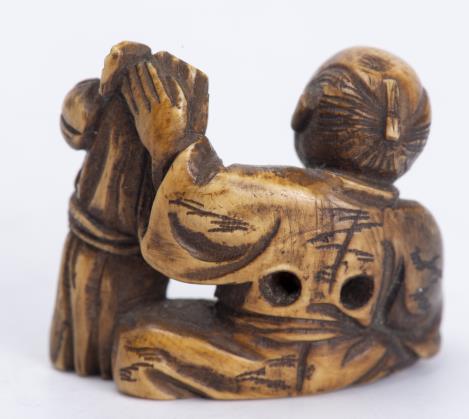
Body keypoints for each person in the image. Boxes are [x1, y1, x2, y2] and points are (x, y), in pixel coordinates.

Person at [97, 43, 442, 398]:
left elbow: (188, 217)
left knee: (138, 343)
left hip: (257, 357)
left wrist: (173, 143)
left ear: (304, 112)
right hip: (356, 358)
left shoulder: (283, 197)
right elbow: (419, 328)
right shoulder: (417, 223)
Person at [49, 43, 183, 378]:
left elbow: (179, 178)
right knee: (86, 310)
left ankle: (107, 359)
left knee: (119, 312)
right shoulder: (98, 99)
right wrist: (95, 92)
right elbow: (73, 130)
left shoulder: (177, 100)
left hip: (131, 246)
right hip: (94, 232)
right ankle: (87, 358)